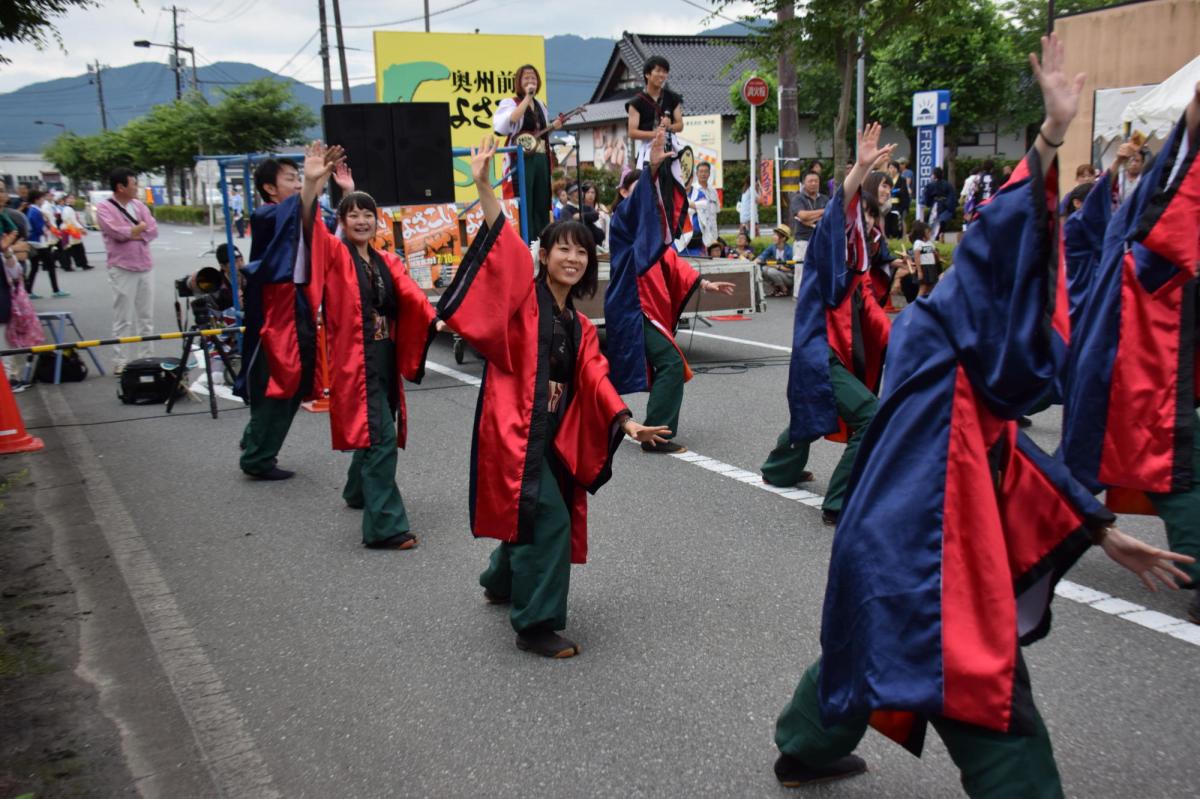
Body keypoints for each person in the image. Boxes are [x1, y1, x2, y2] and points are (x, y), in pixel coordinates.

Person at [771, 35, 1196, 793]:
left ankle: (801, 743)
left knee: (867, 646)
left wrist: (1100, 527)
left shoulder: (960, 359)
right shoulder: (947, 346)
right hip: (928, 567)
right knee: (991, 707)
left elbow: (1012, 452)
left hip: (891, 551)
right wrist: (1048, 138)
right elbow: (997, 247)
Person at [438, 136, 668, 657]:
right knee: (549, 518)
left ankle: (500, 579)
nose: (572, 256)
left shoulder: (580, 325)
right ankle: (535, 625)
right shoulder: (524, 299)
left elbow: (595, 375)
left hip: (555, 434)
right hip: (516, 429)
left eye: (582, 250)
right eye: (562, 248)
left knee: (532, 510)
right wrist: (484, 185)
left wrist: (626, 421)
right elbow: (503, 246)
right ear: (544, 255)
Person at [1060, 79, 1200, 625]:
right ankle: (1021, 528)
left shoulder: (1141, 226)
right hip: (1126, 351)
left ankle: (1022, 527)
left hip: (1132, 349)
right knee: (1160, 460)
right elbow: (1085, 230)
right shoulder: (1130, 220)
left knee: (1115, 456)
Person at [299, 142, 439, 550]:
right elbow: (308, 230)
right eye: (353, 215)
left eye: (368, 215)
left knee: (375, 427)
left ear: (377, 222)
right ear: (341, 222)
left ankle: (358, 490)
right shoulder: (334, 254)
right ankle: (385, 527)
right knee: (381, 438)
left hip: (384, 357)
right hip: (354, 362)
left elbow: (412, 296)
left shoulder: (385, 261)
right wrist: (310, 186)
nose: (361, 221)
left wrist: (439, 319)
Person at [758, 124, 894, 522]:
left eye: (872, 216)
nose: (866, 221)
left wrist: (906, 338)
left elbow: (874, 313)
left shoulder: (859, 261)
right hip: (820, 350)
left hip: (838, 352)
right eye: (862, 212)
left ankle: (778, 469)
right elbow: (839, 209)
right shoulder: (827, 246)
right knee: (868, 414)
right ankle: (838, 505)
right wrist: (860, 171)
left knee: (813, 410)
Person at [603, 126, 735, 455]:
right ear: (624, 193)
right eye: (637, 190)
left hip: (646, 307)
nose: (645, 195)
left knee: (669, 365)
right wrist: (651, 169)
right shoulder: (623, 221)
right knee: (672, 363)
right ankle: (655, 434)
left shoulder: (652, 232)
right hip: (633, 306)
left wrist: (704, 283)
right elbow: (642, 207)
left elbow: (673, 262)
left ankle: (645, 427)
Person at [234, 156, 335, 481]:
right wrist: (312, 184)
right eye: (290, 178)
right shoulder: (266, 215)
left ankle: (255, 440)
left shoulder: (289, 212)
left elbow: (313, 223)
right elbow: (298, 215)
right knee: (279, 385)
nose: (297, 183)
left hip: (294, 308)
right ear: (269, 187)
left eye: (298, 177)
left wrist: (320, 184)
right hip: (276, 318)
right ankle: (258, 457)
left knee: (289, 383)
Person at [95, 169, 157, 371]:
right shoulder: (104, 208)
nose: (137, 188)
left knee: (146, 317)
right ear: (121, 187)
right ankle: (121, 361)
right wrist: (136, 230)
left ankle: (147, 358)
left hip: (144, 265)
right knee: (123, 317)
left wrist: (133, 233)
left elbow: (152, 230)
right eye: (134, 184)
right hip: (122, 267)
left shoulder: (139, 206)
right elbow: (115, 232)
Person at [494, 64, 562, 238]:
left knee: (541, 201)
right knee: (524, 201)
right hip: (521, 158)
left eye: (533, 78)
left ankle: (540, 241)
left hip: (540, 157)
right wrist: (527, 98)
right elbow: (510, 121)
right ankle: (524, 241)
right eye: (526, 78)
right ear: (519, 82)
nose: (531, 81)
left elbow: (539, 133)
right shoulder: (511, 102)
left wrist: (553, 127)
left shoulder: (541, 105)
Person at [626, 56, 683, 170]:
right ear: (647, 74)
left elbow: (680, 125)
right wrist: (656, 134)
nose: (662, 75)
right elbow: (632, 132)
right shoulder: (636, 102)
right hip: (648, 147)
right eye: (658, 71)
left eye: (665, 72)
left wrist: (669, 127)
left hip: (670, 146)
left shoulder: (673, 98)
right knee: (647, 177)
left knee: (679, 176)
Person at [24, 189, 65, 299]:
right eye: (42, 198)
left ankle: (28, 291)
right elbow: (39, 228)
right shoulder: (36, 211)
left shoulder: (32, 210)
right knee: (50, 265)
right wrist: (46, 227)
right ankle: (55, 290)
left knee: (34, 267)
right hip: (39, 243)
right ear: (37, 199)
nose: (43, 200)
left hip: (34, 242)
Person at [789, 171, 828, 257]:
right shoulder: (798, 199)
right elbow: (803, 215)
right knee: (801, 265)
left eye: (816, 181)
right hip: (803, 241)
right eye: (810, 181)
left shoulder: (825, 199)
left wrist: (808, 219)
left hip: (822, 240)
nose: (813, 183)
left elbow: (830, 216)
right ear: (803, 183)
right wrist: (824, 211)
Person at [683, 162, 719, 251]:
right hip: (696, 235)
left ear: (709, 173)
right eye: (701, 171)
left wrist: (715, 235)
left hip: (712, 234)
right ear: (697, 173)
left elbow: (716, 213)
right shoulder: (691, 190)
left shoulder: (713, 191)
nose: (703, 174)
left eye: (706, 171)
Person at [757, 224, 795, 297]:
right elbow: (762, 256)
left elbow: (792, 269)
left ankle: (784, 289)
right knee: (763, 269)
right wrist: (755, 261)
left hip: (789, 276)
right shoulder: (772, 247)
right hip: (780, 273)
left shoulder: (790, 251)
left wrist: (775, 266)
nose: (773, 237)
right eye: (773, 234)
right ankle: (776, 288)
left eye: (776, 235)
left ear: (783, 238)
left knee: (771, 271)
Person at [921, 166, 956, 240]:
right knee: (941, 222)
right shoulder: (948, 185)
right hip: (945, 205)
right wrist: (950, 207)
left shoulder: (930, 185)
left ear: (934, 175)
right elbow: (952, 197)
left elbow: (926, 197)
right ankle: (940, 236)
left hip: (935, 205)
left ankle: (932, 237)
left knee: (932, 221)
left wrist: (927, 203)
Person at [58, 193, 91, 271]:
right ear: (66, 200)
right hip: (69, 231)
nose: (72, 200)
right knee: (69, 249)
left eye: (73, 198)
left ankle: (82, 264)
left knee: (77, 248)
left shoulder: (70, 209)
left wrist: (80, 227)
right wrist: (81, 228)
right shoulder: (67, 209)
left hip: (72, 230)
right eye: (70, 198)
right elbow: (71, 221)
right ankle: (69, 265)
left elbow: (74, 220)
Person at [909, 220, 940, 297]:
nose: (930, 234)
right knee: (923, 287)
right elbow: (917, 257)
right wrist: (919, 271)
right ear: (922, 233)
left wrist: (936, 256)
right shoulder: (918, 243)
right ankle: (918, 303)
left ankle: (927, 301)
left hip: (931, 267)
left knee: (931, 286)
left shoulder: (930, 243)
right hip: (924, 267)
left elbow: (935, 255)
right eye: (928, 232)